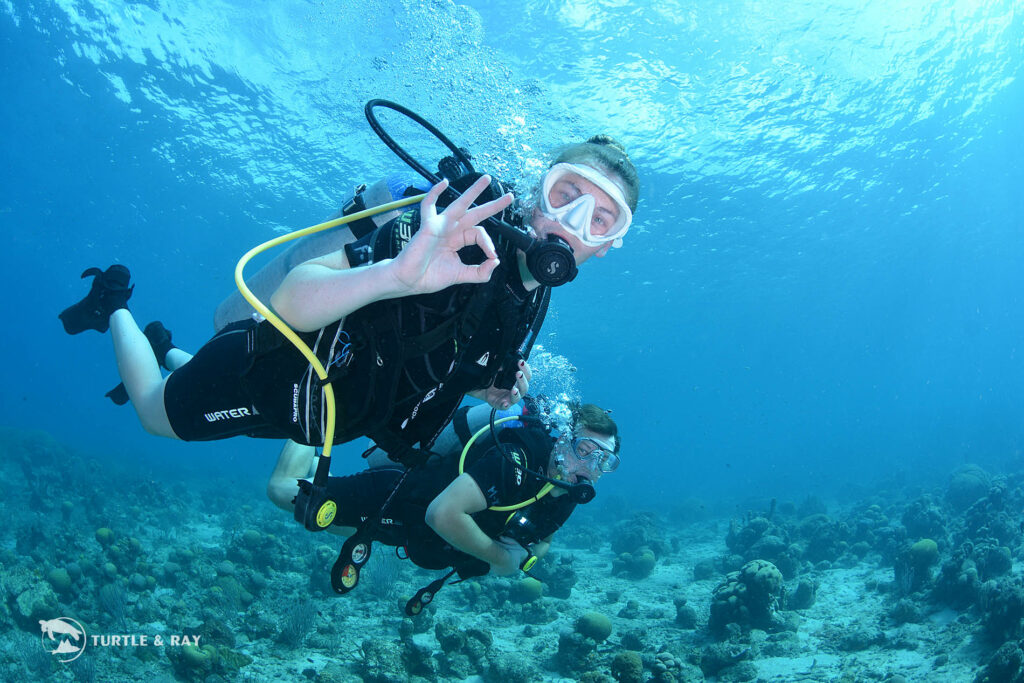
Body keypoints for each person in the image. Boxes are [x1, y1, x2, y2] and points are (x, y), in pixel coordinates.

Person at [59, 137, 639, 467]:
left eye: (599, 218)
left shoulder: (529, 300)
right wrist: (394, 275)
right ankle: (114, 305)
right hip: (275, 370)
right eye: (565, 195)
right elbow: (288, 301)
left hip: (322, 413)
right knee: (154, 415)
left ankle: (168, 349)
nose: (571, 223)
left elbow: (430, 358)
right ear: (539, 191)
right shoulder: (447, 234)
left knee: (200, 400)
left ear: (608, 247)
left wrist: (482, 387)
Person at [267, 399, 620, 607]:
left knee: (336, 525)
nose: (590, 468)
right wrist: (502, 558)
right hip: (400, 497)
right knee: (284, 493)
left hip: (410, 534)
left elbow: (544, 536)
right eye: (584, 451)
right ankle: (308, 415)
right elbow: (443, 513)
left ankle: (315, 470)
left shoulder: (568, 488)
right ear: (561, 442)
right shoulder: (515, 459)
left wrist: (524, 557)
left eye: (604, 462)